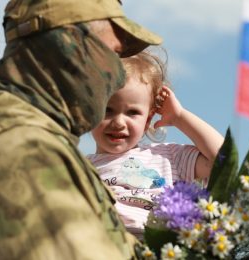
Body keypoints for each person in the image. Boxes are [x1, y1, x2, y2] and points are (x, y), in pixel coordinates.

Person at [0, 0, 163, 259]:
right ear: (70, 45)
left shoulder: (23, 141)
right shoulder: (21, 154)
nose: (117, 75)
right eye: (113, 54)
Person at [87, 51, 224, 239]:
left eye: (132, 112)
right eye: (107, 110)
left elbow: (224, 161)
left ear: (148, 118)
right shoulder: (80, 167)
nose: (119, 122)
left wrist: (179, 117)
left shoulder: (168, 157)